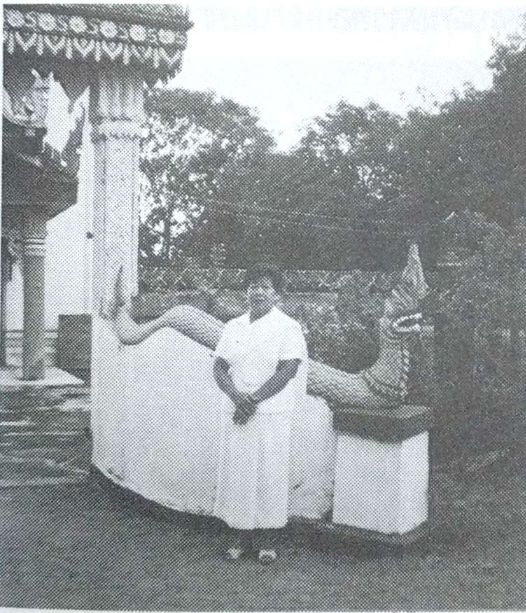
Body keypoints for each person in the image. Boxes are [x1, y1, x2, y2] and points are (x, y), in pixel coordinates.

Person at [212, 263, 308, 564]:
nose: (258, 291)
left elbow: (288, 369)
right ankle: (240, 537)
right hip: (237, 410)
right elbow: (219, 367)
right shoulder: (234, 326)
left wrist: (252, 400)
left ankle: (268, 540)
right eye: (253, 285)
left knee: (269, 473)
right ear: (247, 291)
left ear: (277, 294)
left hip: (271, 412)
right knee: (239, 473)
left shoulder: (288, 327)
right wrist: (236, 396)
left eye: (265, 287)